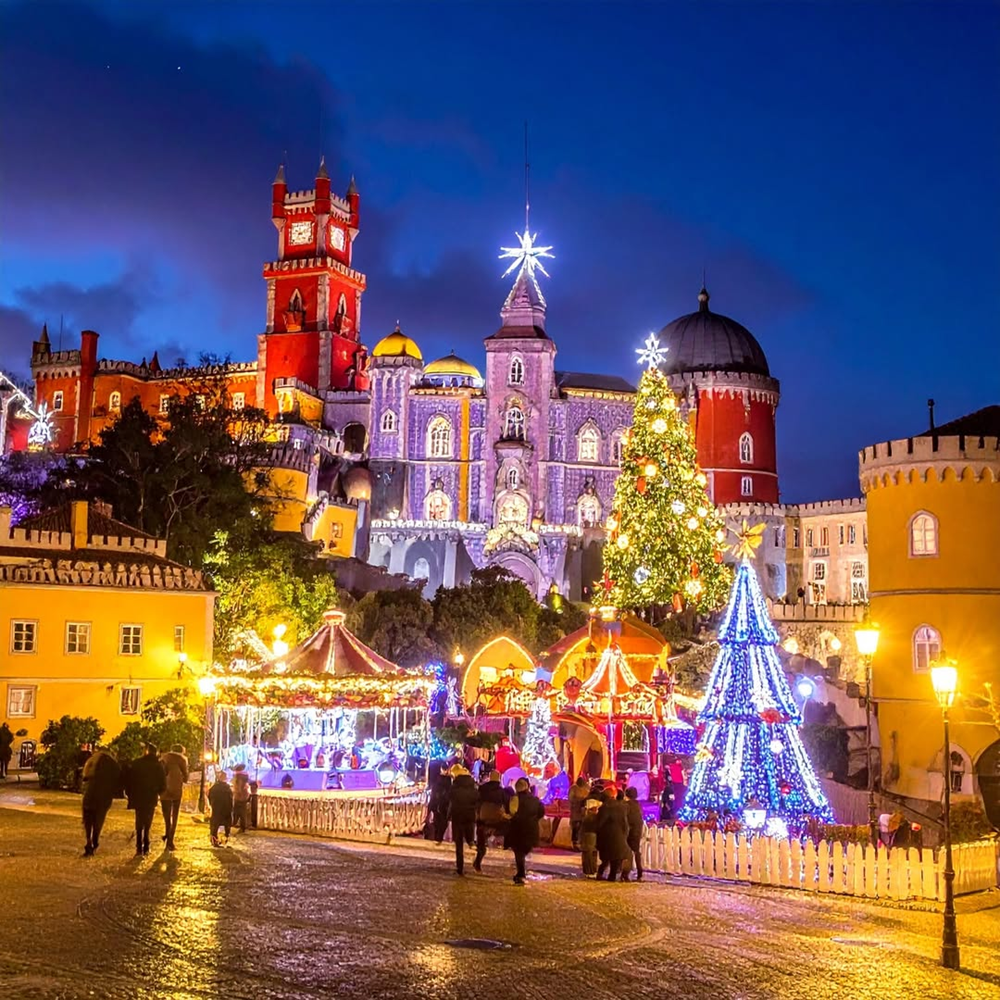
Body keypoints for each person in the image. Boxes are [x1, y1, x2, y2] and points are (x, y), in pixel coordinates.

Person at [81, 746, 121, 857]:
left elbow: (84, 776)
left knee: (87, 819)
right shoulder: (114, 764)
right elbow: (118, 780)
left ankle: (88, 841)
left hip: (90, 793)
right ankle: (95, 840)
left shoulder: (92, 760)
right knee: (99, 819)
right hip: (104, 796)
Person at [128, 742, 166, 856]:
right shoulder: (158, 766)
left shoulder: (137, 763)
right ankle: (146, 843)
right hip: (151, 796)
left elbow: (130, 779)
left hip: (139, 796)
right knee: (148, 820)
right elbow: (162, 783)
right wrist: (158, 791)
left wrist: (130, 793)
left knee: (139, 819)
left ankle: (139, 846)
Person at [507, 777, 545, 885]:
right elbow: (541, 812)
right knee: (523, 851)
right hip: (531, 829)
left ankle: (521, 874)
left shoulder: (515, 799)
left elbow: (512, 812)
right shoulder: (535, 800)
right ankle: (520, 873)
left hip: (518, 829)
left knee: (519, 852)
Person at [473, 770, 508, 872]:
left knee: (481, 844)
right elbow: (507, 803)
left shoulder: (482, 789)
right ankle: (498, 840)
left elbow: (477, 802)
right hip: (496, 819)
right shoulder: (502, 791)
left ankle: (478, 862)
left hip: (482, 818)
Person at [448, 764, 478, 875]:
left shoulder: (454, 786)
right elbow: (477, 799)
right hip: (469, 815)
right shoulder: (472, 785)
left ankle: (459, 867)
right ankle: (471, 842)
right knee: (468, 834)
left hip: (457, 816)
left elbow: (450, 800)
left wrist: (448, 815)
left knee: (459, 843)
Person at [595, 788, 630, 881]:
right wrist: (624, 835)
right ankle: (612, 876)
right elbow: (625, 824)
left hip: (607, 837)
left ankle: (600, 874)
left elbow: (599, 824)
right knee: (616, 859)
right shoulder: (621, 807)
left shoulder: (604, 808)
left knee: (606, 859)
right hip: (619, 836)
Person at [159, 744, 188, 851]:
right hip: (176, 791)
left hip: (164, 791)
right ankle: (170, 842)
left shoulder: (163, 758)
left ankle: (167, 833)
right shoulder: (182, 759)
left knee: (166, 817)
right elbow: (186, 776)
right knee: (174, 816)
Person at [622, 787, 644, 881]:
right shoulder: (638, 805)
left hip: (629, 831)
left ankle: (625, 873)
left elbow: (625, 818)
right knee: (636, 852)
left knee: (627, 853)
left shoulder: (626, 805)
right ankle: (639, 871)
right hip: (637, 830)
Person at [208, 771, 233, 846]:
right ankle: (224, 839)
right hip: (225, 809)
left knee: (215, 825)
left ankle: (214, 840)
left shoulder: (214, 787)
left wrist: (212, 804)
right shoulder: (227, 788)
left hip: (217, 809)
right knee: (226, 825)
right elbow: (231, 799)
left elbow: (210, 796)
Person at [580, 795, 601, 877]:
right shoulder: (593, 817)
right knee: (590, 854)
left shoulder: (586, 816)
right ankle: (591, 870)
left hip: (587, 837)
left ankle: (588, 870)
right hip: (591, 837)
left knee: (588, 854)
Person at [428, 769, 452, 844]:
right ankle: (439, 837)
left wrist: (430, 807)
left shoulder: (436, 784)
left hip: (437, 805)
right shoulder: (449, 784)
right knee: (443, 822)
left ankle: (437, 837)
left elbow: (433, 796)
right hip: (445, 806)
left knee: (437, 821)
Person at [568, 775, 590, 851]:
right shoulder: (573, 788)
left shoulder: (587, 787)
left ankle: (581, 842)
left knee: (582, 827)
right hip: (576, 811)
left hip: (584, 811)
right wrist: (579, 801)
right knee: (576, 827)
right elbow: (571, 799)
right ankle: (575, 843)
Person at [231, 763, 251, 833]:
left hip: (239, 796)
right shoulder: (245, 776)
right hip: (244, 796)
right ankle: (242, 826)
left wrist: (237, 792)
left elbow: (238, 786)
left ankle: (238, 824)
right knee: (243, 812)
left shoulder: (239, 776)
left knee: (238, 811)